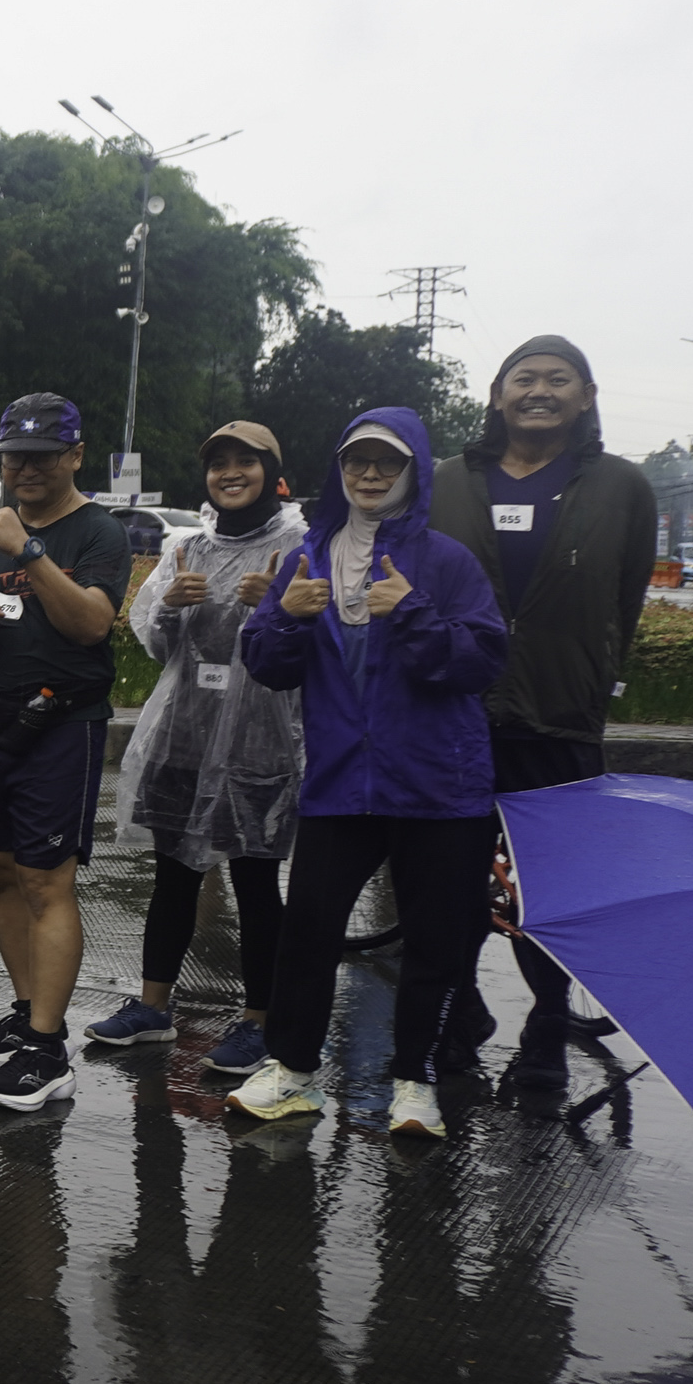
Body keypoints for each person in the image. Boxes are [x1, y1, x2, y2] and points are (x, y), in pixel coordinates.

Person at [234, 411, 508, 1138]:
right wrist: (286, 616)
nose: (371, 475)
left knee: (435, 943)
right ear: (340, 469)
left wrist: (412, 611)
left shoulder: (446, 561)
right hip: (340, 783)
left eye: (388, 462)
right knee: (308, 932)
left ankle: (415, 1082)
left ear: (414, 471)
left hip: (439, 787)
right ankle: (293, 1071)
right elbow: (265, 663)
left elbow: (482, 661)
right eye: (357, 461)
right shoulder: (308, 557)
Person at [426, 334, 659, 1082]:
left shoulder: (622, 486)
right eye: (524, 378)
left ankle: (548, 1024)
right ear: (497, 396)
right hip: (451, 713)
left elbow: (626, 599)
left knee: (549, 889)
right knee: (449, 880)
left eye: (559, 379)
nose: (540, 391)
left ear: (585, 398)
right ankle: (457, 1011)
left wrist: (593, 676)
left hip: (560, 715)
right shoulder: (446, 480)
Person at [0, 394, 133, 1111]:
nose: (27, 469)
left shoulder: (97, 532)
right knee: (1, 872)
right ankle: (26, 1013)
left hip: (59, 728)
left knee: (48, 882)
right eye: (15, 457)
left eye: (44, 456)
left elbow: (92, 624)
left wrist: (30, 551)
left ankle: (48, 1049)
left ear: (75, 456)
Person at [85, 424, 307, 1072]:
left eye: (246, 462)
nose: (230, 473)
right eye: (219, 463)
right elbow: (160, 647)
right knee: (174, 877)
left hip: (262, 743)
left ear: (272, 472)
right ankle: (153, 1008)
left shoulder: (300, 547)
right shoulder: (189, 547)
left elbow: (316, 647)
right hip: (182, 734)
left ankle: (259, 1021)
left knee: (256, 884)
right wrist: (170, 608)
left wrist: (278, 608)